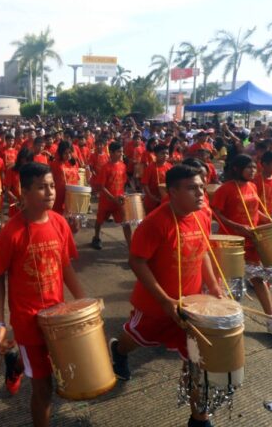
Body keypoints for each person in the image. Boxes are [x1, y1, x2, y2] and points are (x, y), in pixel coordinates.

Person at [109, 165, 221, 427]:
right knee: (134, 340)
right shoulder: (154, 223)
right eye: (192, 188)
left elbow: (203, 251)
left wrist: (213, 287)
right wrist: (164, 300)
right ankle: (118, 349)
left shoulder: (202, 215)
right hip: (154, 306)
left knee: (197, 361)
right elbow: (137, 261)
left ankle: (199, 418)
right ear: (172, 192)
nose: (200, 193)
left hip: (190, 307)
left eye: (201, 186)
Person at [0, 162, 85, 427]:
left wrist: (85, 302)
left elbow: (65, 267)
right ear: (25, 192)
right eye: (42, 188)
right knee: (44, 389)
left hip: (58, 318)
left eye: (52, 186)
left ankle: (15, 365)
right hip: (28, 322)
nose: (51, 192)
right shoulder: (12, 232)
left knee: (53, 368)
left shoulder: (60, 223)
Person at [211, 155, 272, 332]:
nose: (252, 171)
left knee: (259, 278)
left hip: (252, 240)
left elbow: (256, 209)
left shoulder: (252, 185)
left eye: (254, 167)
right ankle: (226, 318)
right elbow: (215, 212)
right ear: (236, 169)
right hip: (231, 242)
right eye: (248, 167)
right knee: (229, 283)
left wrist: (270, 222)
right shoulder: (225, 189)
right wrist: (237, 226)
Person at [92, 141, 128, 249]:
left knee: (126, 222)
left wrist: (123, 195)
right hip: (106, 201)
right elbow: (101, 186)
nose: (121, 154)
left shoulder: (123, 166)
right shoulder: (105, 168)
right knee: (99, 221)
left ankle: (131, 245)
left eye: (122, 151)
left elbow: (124, 182)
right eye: (118, 152)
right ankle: (96, 237)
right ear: (111, 153)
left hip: (119, 201)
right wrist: (113, 198)